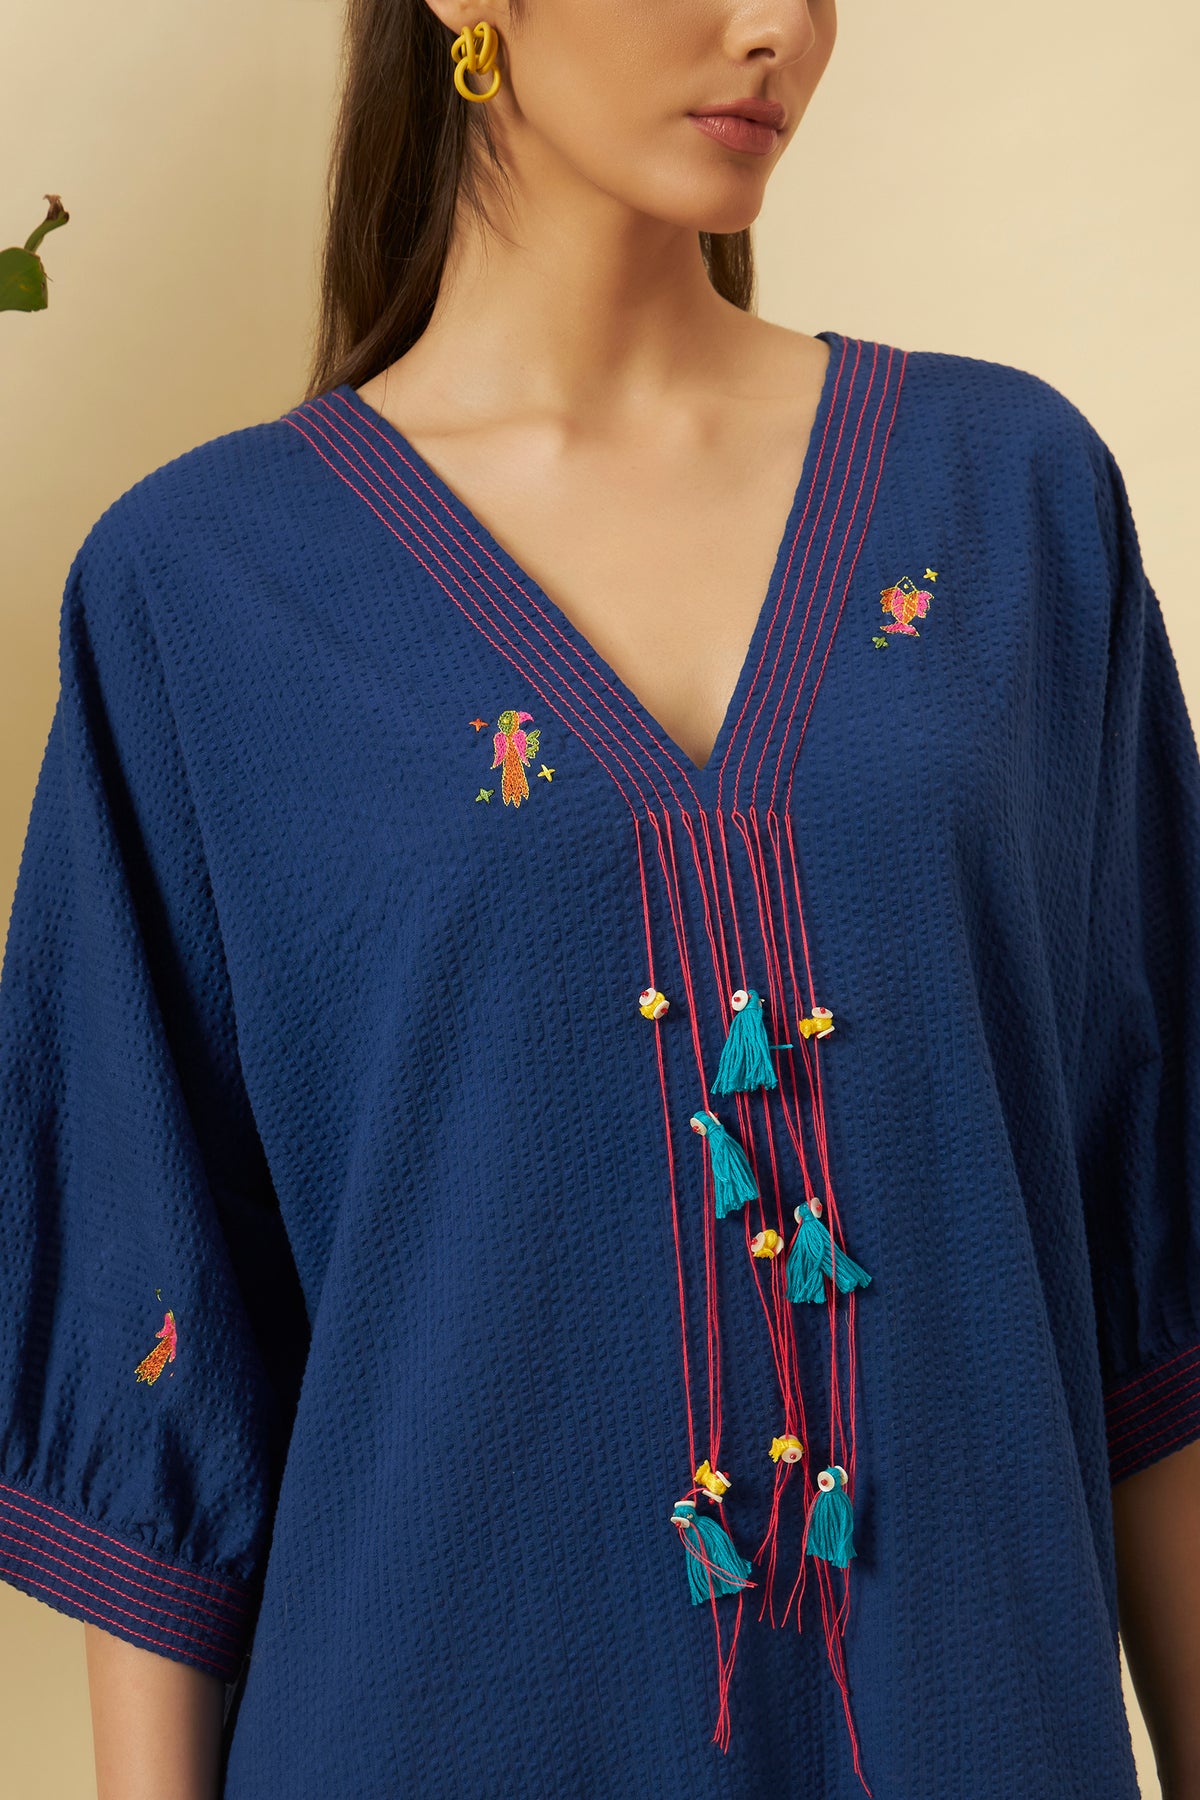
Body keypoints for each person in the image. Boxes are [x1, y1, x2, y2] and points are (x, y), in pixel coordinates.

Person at [0, 2, 1197, 1796]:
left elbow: (1159, 1273)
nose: (777, 26)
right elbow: (159, 1380)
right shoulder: (202, 593)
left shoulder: (1013, 501)